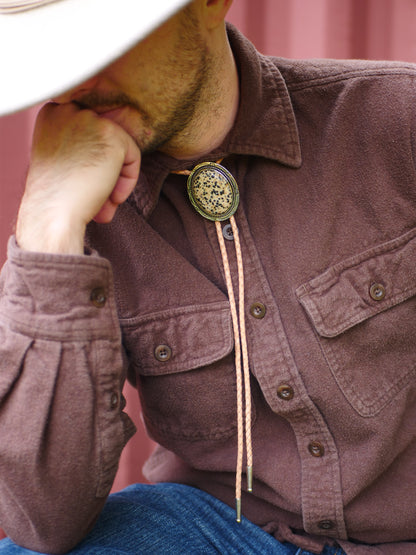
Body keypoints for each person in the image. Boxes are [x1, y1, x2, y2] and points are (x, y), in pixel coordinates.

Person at [1, 0, 416, 553]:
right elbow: (43, 522)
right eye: (56, 55)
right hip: (217, 527)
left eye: (101, 43)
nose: (76, 79)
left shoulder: (396, 121)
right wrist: (48, 230)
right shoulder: (83, 200)